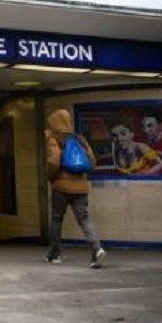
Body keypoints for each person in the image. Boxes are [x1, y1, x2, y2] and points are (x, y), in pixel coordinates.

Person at [45, 108, 106, 268]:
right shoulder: (80, 139)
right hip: (81, 188)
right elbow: (92, 162)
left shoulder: (54, 139)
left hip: (61, 187)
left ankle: (55, 254)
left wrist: (51, 178)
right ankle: (96, 249)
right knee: (84, 219)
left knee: (57, 219)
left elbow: (54, 162)